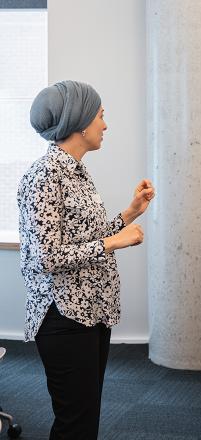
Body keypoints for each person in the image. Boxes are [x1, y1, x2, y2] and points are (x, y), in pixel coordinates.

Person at [17, 80, 155, 440]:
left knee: (85, 417)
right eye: (101, 116)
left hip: (90, 312)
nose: (105, 125)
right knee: (74, 423)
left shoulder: (75, 171)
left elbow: (82, 239)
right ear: (80, 122)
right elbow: (46, 257)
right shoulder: (44, 176)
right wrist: (113, 242)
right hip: (63, 317)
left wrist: (129, 214)